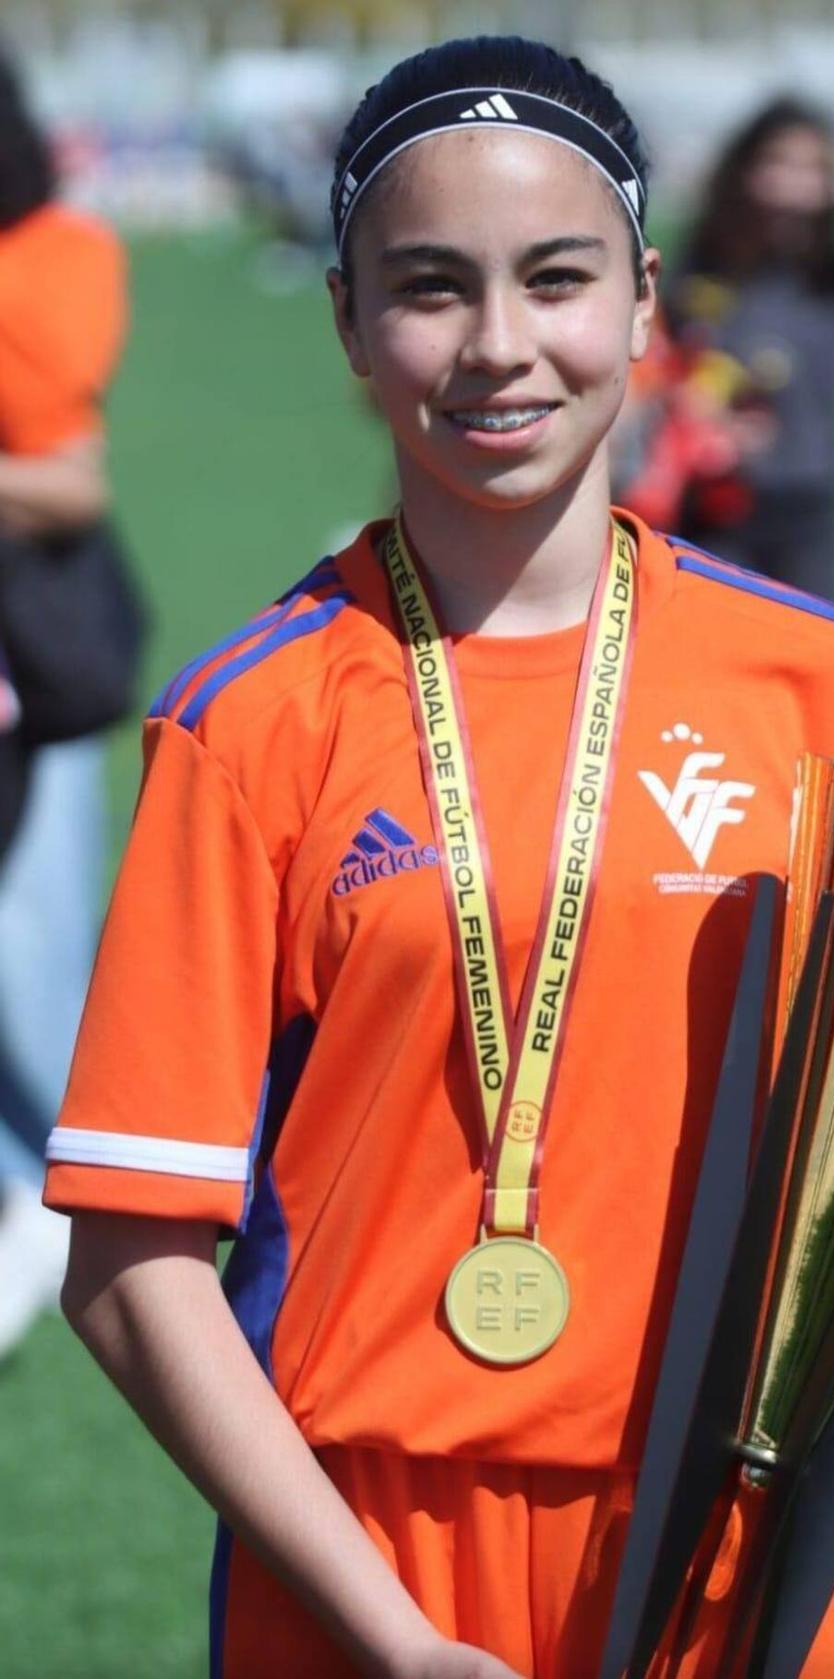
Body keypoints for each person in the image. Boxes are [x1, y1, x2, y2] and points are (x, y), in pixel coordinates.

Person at [44, 36, 834, 1679]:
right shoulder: (246, 722)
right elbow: (129, 1258)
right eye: (432, 286)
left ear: (647, 296)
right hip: (362, 1553)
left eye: (557, 276)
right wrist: (388, 1634)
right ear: (344, 320)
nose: (501, 344)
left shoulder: (814, 681)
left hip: (739, 1535)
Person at [0, 49, 129, 1359]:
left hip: (31, 656)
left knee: (32, 958)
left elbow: (68, 475)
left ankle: (60, 1196)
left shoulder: (56, 249)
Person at [652, 96, 834, 607]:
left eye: (813, 169)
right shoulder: (698, 274)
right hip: (716, 508)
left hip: (812, 506)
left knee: (815, 660)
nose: (796, 185)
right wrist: (701, 423)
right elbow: (655, 374)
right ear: (745, 169)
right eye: (780, 164)